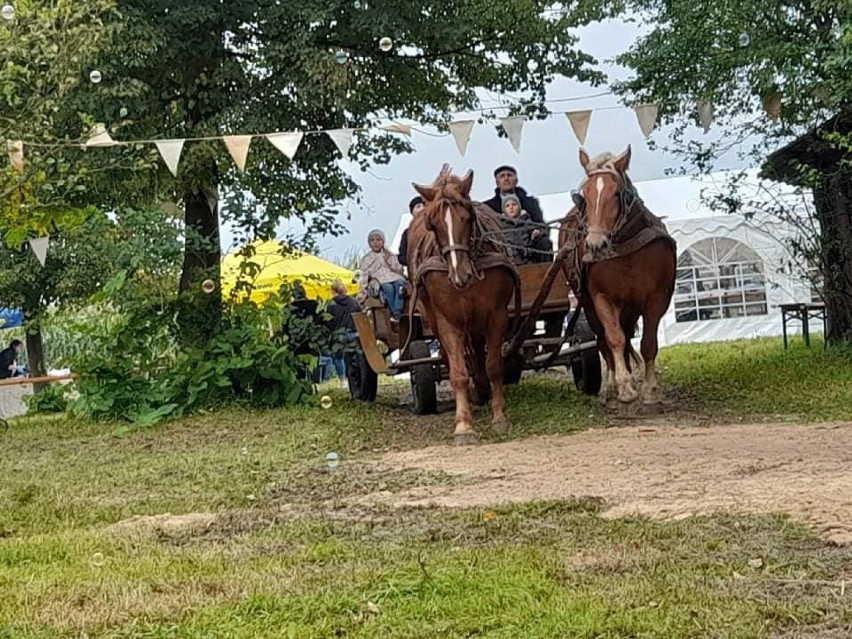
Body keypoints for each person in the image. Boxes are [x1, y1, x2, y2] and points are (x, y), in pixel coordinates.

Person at [358, 229, 406, 319]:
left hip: (394, 276)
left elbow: (399, 269)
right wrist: (362, 295)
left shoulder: (389, 254)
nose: (375, 242)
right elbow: (363, 276)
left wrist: (389, 259)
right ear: (369, 243)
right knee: (388, 288)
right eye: (372, 240)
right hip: (379, 281)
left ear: (383, 241)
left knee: (400, 284)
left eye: (378, 240)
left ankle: (398, 308)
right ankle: (396, 312)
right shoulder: (367, 258)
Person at [500, 194, 553, 265]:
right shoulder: (501, 226)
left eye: (514, 204)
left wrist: (537, 233)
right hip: (510, 262)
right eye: (507, 206)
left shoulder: (527, 221)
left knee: (545, 242)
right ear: (504, 210)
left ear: (519, 207)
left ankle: (546, 268)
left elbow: (541, 230)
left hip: (529, 259)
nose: (511, 207)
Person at [325, 279, 360, 388]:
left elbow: (328, 321)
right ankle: (356, 379)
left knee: (337, 357)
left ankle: (343, 380)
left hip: (338, 334)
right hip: (353, 333)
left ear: (333, 290)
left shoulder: (331, 304)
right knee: (355, 357)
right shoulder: (353, 301)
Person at [398, 196, 425, 270]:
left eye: (425, 205)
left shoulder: (435, 230)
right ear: (412, 212)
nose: (422, 208)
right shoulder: (407, 233)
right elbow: (402, 257)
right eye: (418, 206)